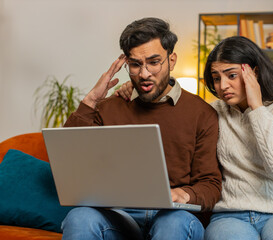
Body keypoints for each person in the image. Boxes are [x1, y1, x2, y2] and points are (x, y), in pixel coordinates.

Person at [116, 36, 273, 240]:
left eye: (231, 75)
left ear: (254, 72)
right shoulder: (212, 112)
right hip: (230, 216)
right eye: (216, 78)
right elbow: (171, 104)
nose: (223, 86)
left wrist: (256, 107)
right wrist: (137, 87)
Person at [61, 17, 222, 240]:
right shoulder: (109, 107)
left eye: (154, 62)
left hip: (173, 216)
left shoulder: (202, 113)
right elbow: (67, 160)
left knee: (174, 223)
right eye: (135, 65)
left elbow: (211, 184)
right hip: (120, 216)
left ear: (171, 60)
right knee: (80, 217)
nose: (144, 74)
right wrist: (91, 100)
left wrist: (184, 194)